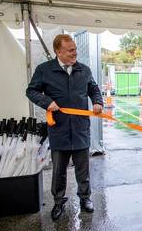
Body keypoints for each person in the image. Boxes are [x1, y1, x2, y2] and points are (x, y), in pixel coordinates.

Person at [26, 34, 103, 221]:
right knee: (58, 171)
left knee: (83, 171)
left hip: (80, 129)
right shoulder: (44, 70)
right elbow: (31, 91)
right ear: (58, 52)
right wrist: (47, 102)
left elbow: (93, 88)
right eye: (70, 50)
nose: (75, 53)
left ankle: (85, 199)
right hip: (59, 130)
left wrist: (97, 102)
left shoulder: (83, 70)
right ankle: (59, 202)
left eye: (75, 49)